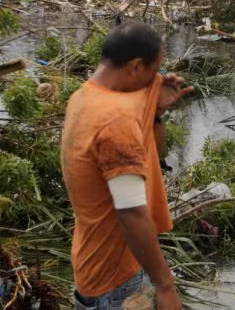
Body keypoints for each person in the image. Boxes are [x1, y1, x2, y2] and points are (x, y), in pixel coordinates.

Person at [61, 22, 193, 310]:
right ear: (135, 66)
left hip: (91, 266)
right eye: (154, 71)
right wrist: (165, 285)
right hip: (116, 281)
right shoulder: (116, 121)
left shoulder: (83, 97)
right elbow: (130, 211)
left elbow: (153, 155)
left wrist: (156, 113)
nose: (156, 79)